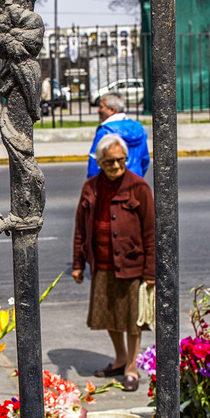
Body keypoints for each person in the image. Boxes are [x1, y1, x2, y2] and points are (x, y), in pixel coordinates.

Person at [72, 133, 155, 391]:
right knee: (109, 316)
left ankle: (132, 366)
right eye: (110, 162)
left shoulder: (138, 187)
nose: (116, 166)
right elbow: (80, 229)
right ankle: (120, 359)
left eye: (120, 161)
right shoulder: (91, 187)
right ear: (99, 162)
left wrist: (151, 272)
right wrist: (78, 263)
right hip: (102, 264)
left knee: (132, 319)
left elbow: (151, 233)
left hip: (132, 266)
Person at [88, 93, 149, 179]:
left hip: (112, 184)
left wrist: (92, 185)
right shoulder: (139, 129)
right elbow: (145, 159)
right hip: (135, 181)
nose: (98, 110)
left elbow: (94, 162)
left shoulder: (105, 131)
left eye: (101, 107)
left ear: (112, 109)